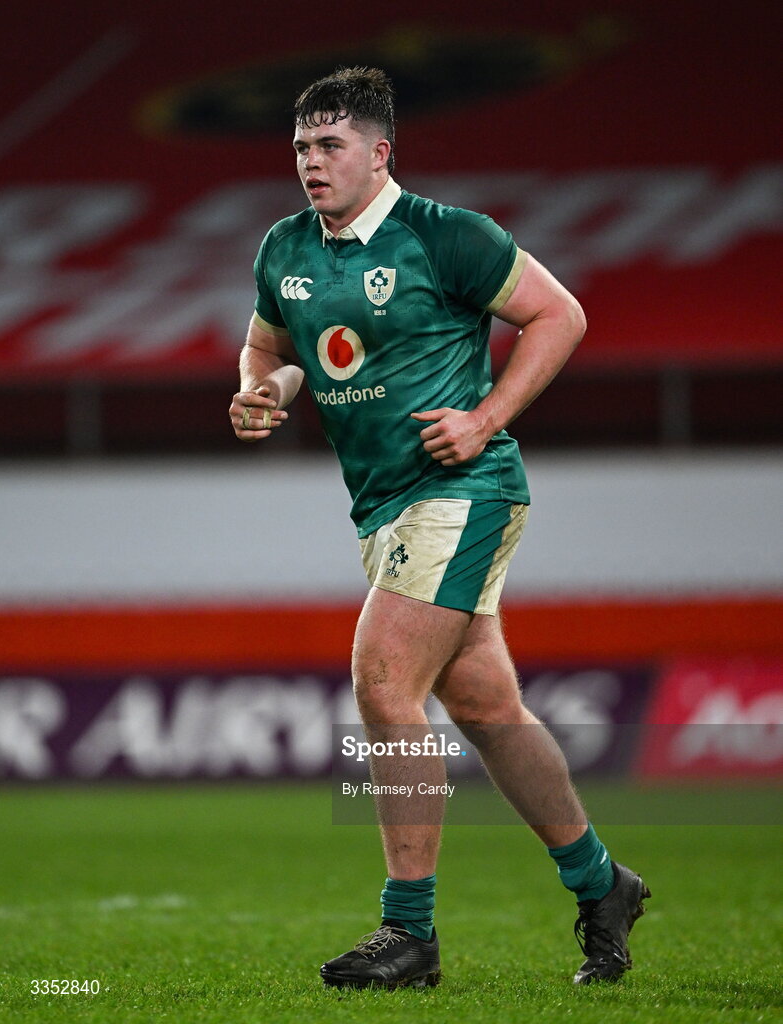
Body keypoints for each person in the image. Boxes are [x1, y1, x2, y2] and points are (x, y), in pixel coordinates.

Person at [229, 66, 650, 990]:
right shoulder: (285, 247)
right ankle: (602, 885)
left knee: (384, 683)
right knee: (488, 709)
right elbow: (273, 348)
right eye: (300, 146)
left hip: (463, 488)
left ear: (380, 153)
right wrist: (264, 391)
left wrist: (484, 418)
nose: (310, 162)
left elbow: (558, 314)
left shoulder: (448, 235)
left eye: (330, 145)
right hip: (383, 506)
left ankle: (408, 933)